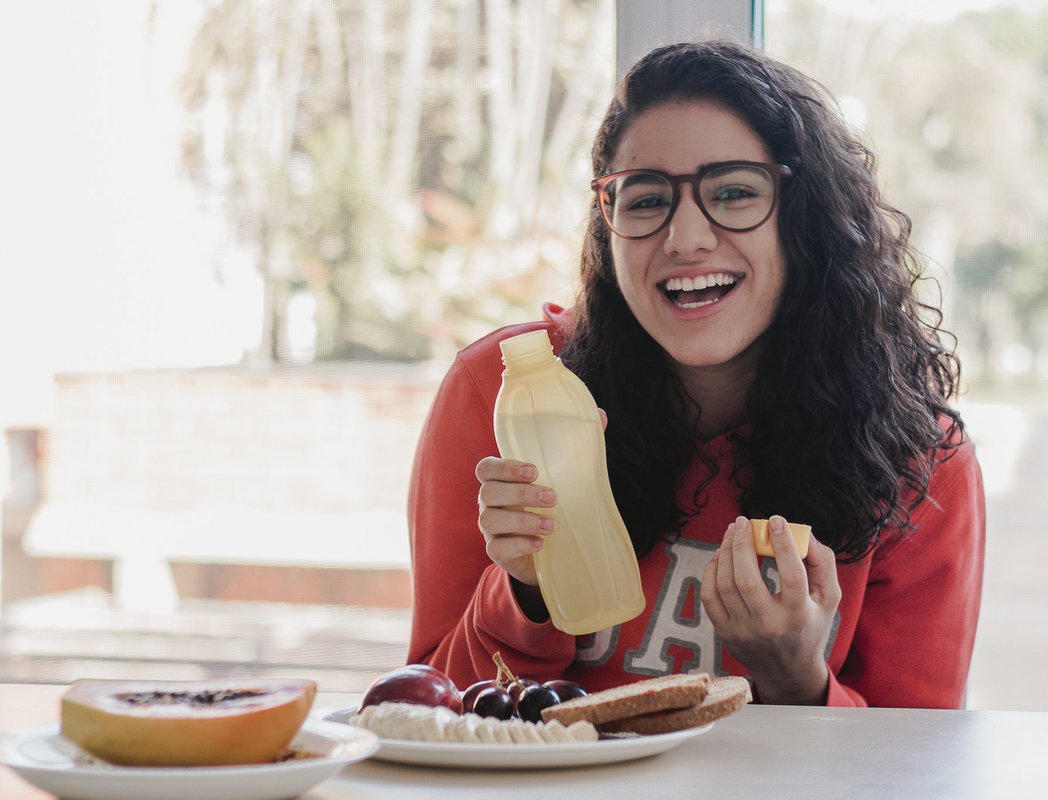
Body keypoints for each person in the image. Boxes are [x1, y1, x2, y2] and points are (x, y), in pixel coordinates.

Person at [406, 39, 985, 708]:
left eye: (734, 192)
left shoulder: (918, 462)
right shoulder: (501, 394)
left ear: (807, 222)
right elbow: (422, 716)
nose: (685, 238)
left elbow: (914, 764)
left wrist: (797, 679)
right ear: (608, 226)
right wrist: (526, 595)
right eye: (646, 200)